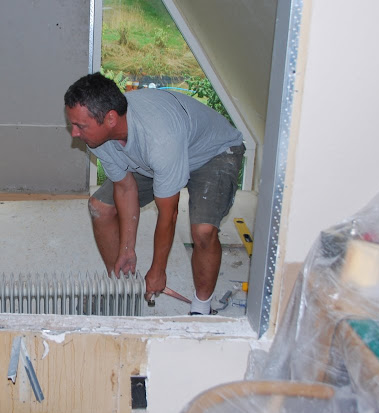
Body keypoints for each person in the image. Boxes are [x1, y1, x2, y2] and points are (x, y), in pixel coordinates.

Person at [64, 72, 245, 315]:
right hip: (156, 159)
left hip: (213, 153)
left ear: (110, 119)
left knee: (203, 230)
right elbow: (125, 187)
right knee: (101, 207)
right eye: (73, 124)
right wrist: (127, 249)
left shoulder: (159, 139)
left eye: (81, 126)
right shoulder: (98, 139)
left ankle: (201, 308)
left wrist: (158, 270)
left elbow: (168, 214)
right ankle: (121, 289)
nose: (75, 133)